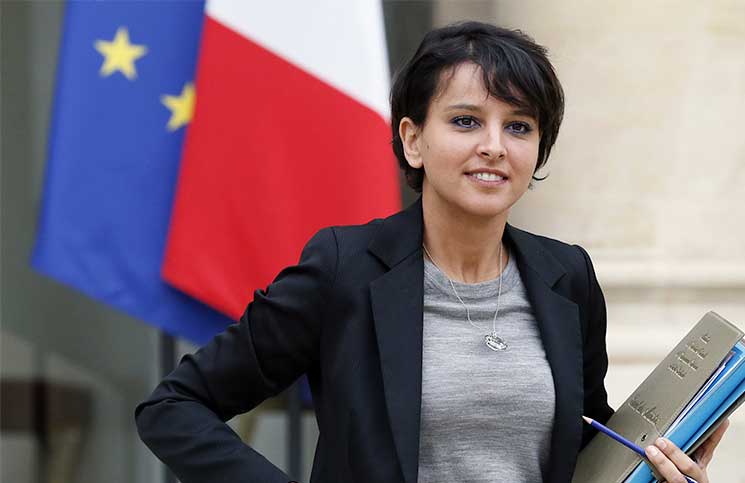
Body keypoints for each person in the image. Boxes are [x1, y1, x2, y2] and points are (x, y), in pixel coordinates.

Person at [134, 21, 729, 483]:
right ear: (412, 139)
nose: (494, 146)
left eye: (519, 126)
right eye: (466, 121)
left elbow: (582, 447)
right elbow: (175, 406)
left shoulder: (567, 275)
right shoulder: (344, 267)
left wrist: (659, 469)